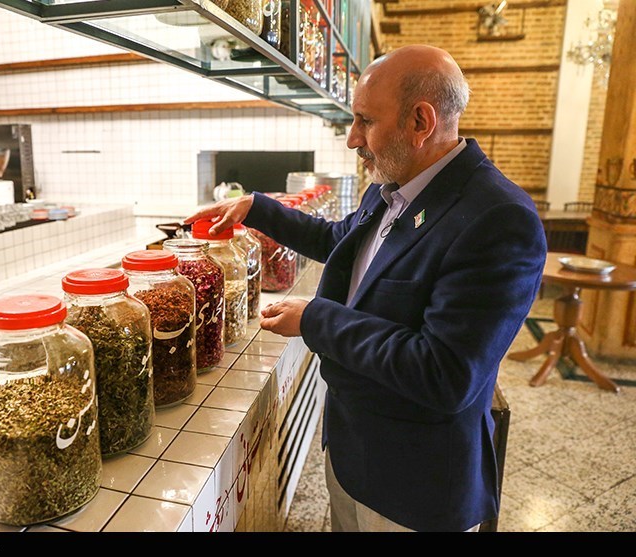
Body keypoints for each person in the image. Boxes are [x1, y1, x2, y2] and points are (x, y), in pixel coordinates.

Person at [185, 44, 546, 532]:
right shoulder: (394, 186)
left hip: (416, 486)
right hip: (352, 453)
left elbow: (445, 374)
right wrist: (258, 208)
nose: (353, 138)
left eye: (365, 121)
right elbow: (342, 240)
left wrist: (315, 319)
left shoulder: (498, 219)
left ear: (421, 122)